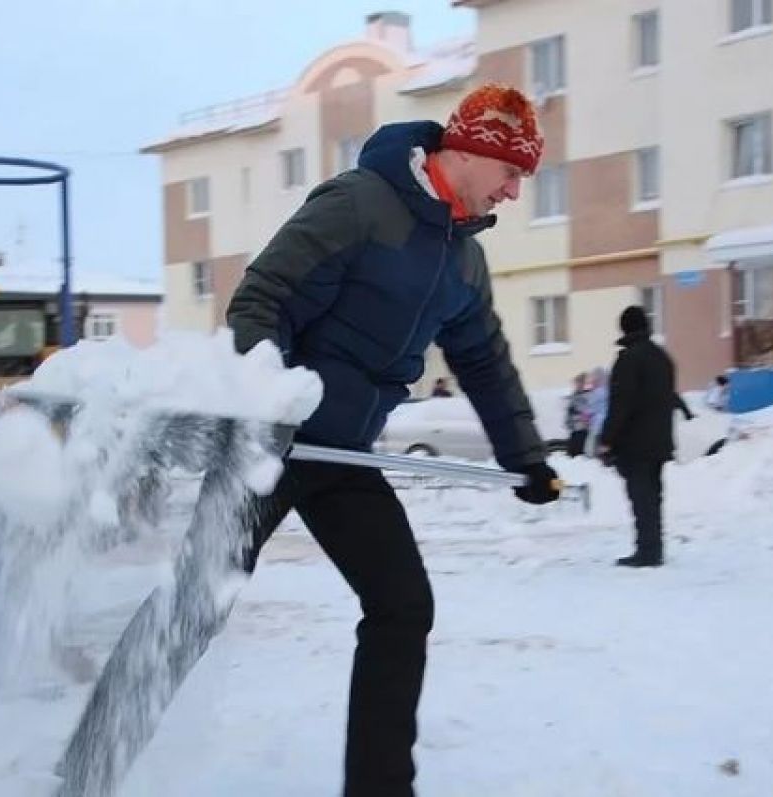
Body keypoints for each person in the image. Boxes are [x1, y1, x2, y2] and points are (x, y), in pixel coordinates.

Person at [226, 83, 560, 796]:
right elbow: (262, 301)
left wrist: (525, 455)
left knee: (403, 604)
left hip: (343, 456)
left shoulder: (463, 259)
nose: (513, 192)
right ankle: (83, 760)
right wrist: (267, 406)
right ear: (472, 152)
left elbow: (484, 360)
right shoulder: (361, 203)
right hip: (273, 443)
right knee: (193, 602)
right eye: (511, 173)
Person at [596, 305, 683, 568]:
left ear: (624, 328)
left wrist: (607, 438)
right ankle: (654, 548)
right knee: (653, 497)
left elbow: (621, 404)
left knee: (641, 496)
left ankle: (646, 551)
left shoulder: (628, 360)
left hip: (635, 444)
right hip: (659, 440)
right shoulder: (663, 358)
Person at [563, 372, 590, 457]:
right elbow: (570, 411)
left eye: (578, 382)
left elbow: (584, 410)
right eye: (576, 383)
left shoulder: (586, 395)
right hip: (576, 428)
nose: (576, 385)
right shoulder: (576, 394)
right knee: (573, 453)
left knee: (578, 453)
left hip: (582, 428)